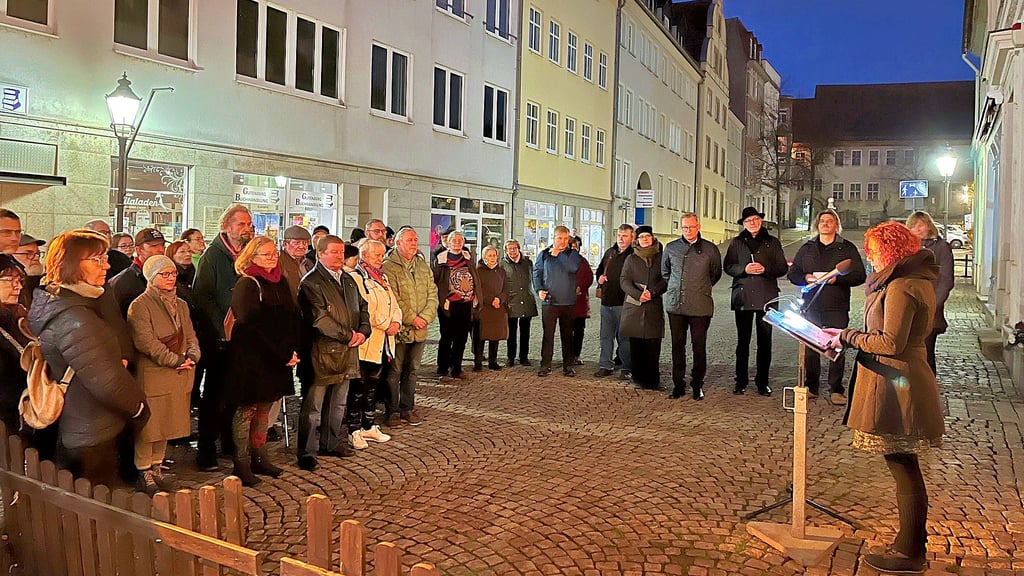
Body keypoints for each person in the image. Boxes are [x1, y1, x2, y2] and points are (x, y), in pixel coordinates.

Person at [823, 222, 944, 574]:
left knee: (904, 465)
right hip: (896, 378)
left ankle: (910, 551)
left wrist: (846, 336)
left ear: (891, 251)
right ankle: (910, 545)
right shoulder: (906, 280)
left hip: (899, 383)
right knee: (902, 463)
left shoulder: (903, 285)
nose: (870, 257)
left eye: (874, 251)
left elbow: (891, 342)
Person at [28, 229, 149, 487]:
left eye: (105, 258)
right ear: (71, 263)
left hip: (82, 421)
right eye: (97, 259)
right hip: (91, 430)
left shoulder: (67, 300)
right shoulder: (76, 317)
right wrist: (139, 407)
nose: (107, 265)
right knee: (95, 500)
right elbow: (107, 381)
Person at [225, 236, 301, 485]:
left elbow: (291, 316)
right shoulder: (248, 283)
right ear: (251, 257)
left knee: (265, 408)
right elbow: (251, 325)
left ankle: (260, 455)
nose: (272, 258)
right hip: (253, 357)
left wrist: (291, 349)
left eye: (274, 253)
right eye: (266, 254)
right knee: (247, 409)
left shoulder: (280, 280)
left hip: (278, 357)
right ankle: (241, 461)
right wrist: (281, 353)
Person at [126, 255, 200, 494]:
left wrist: (193, 355)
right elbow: (146, 342)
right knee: (150, 426)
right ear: (151, 276)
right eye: (164, 274)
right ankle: (144, 470)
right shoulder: (140, 305)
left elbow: (190, 334)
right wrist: (174, 360)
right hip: (155, 374)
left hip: (179, 373)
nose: (171, 278)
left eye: (173, 273)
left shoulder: (182, 304)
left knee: (168, 422)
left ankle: (157, 466)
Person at [297, 235, 369, 471]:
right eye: (334, 252)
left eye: (341, 252)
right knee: (313, 407)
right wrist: (349, 336)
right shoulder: (311, 283)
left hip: (347, 351)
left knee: (338, 403)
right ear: (320, 254)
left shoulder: (348, 280)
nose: (340, 256)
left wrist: (363, 331)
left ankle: (330, 442)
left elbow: (363, 307)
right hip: (321, 353)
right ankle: (307, 452)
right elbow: (319, 319)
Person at [192, 204, 253, 471]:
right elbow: (203, 297)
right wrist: (221, 329)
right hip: (218, 338)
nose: (247, 229)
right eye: (241, 224)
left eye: (249, 224)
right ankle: (206, 450)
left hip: (242, 336)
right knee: (214, 395)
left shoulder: (247, 254)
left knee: (235, 393)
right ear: (226, 227)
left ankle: (229, 442)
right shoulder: (213, 256)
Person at [787, 210, 866, 405]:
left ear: (836, 225)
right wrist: (805, 277)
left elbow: (859, 275)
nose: (825, 224)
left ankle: (836, 389)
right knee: (811, 347)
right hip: (811, 304)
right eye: (822, 221)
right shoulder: (807, 247)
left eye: (829, 221)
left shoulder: (846, 248)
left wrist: (837, 280)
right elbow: (793, 273)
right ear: (817, 225)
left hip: (836, 304)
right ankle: (811, 386)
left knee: (837, 346)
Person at [723, 207, 788, 396]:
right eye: (748, 221)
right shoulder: (737, 242)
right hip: (743, 296)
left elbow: (782, 268)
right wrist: (744, 269)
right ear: (744, 224)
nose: (752, 223)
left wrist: (765, 269)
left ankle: (762, 382)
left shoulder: (772, 242)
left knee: (765, 342)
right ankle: (741, 381)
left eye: (755, 219)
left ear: (761, 221)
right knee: (743, 341)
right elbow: (728, 266)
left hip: (767, 297)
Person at [661, 213, 722, 400]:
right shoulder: (671, 248)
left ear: (698, 227)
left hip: (700, 306)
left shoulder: (710, 249)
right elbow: (665, 272)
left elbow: (715, 274)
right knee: (677, 346)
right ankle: (678, 384)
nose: (688, 230)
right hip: (676, 305)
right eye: (685, 227)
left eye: (691, 227)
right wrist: (676, 288)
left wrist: (700, 288)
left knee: (699, 347)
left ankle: (697, 384)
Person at [382, 227, 437, 427]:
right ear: (398, 243)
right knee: (394, 371)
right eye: (409, 240)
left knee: (412, 370)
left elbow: (433, 294)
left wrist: (425, 317)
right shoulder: (389, 266)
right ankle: (392, 411)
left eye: (415, 240)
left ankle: (408, 408)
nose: (414, 243)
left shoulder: (422, 265)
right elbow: (393, 298)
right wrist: (412, 318)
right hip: (400, 329)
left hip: (420, 329)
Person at [345, 239, 397, 449]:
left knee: (373, 387)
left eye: (382, 254)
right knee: (358, 387)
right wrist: (386, 324)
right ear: (364, 255)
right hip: (367, 342)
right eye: (377, 254)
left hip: (383, 342)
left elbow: (393, 303)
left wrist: (396, 321)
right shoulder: (356, 278)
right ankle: (354, 429)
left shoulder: (383, 277)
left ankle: (369, 424)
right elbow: (365, 309)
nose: (381, 258)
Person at [906, 211, 954, 376]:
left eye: (921, 225)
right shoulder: (907, 248)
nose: (917, 229)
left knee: (926, 353)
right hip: (908, 308)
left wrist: (933, 304)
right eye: (913, 226)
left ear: (929, 226)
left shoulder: (941, 247)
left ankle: (928, 386)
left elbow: (946, 279)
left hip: (930, 309)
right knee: (908, 353)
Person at [619, 226, 667, 390]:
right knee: (636, 346)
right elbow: (624, 280)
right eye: (641, 237)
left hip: (653, 305)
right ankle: (638, 378)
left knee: (653, 345)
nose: (645, 239)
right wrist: (638, 294)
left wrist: (653, 292)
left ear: (652, 238)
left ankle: (652, 381)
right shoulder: (631, 259)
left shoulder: (661, 258)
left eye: (647, 236)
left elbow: (666, 279)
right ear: (637, 240)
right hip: (635, 307)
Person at [533, 225, 583, 377]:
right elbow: (537, 273)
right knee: (548, 335)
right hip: (550, 301)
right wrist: (539, 289)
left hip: (567, 302)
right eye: (559, 238)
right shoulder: (544, 254)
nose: (562, 241)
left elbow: (573, 267)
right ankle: (545, 365)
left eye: (566, 238)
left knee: (567, 335)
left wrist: (559, 255)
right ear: (553, 238)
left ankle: (568, 366)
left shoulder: (573, 254)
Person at [433, 231, 478, 381]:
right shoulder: (441, 259)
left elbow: (475, 277)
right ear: (449, 242)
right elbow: (435, 280)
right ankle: (442, 367)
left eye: (460, 240)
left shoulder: (468, 258)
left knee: (462, 337)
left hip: (465, 303)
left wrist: (476, 295)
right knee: (447, 336)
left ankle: (456, 367)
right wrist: (441, 298)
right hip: (448, 304)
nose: (457, 243)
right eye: (454, 240)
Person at [595, 224, 635, 379]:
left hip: (624, 302)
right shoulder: (610, 253)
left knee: (624, 338)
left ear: (632, 238)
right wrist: (600, 278)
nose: (621, 239)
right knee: (605, 336)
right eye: (619, 235)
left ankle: (626, 367)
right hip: (607, 301)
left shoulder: (633, 256)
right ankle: (605, 365)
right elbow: (599, 270)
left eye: (625, 236)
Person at [0, 255, 29, 436]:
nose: (18, 286)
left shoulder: (19, 318)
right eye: (9, 280)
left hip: (20, 417)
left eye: (19, 280)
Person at [110, 228, 167, 317]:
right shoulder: (123, 282)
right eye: (154, 246)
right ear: (139, 250)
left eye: (162, 245)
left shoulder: (169, 275)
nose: (161, 249)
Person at [500, 240, 537, 367]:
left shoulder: (528, 262)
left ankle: (524, 357)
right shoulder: (502, 264)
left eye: (514, 248)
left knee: (525, 331)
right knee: (511, 332)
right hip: (511, 302)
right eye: (509, 249)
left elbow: (533, 278)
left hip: (526, 300)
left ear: (518, 248)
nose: (512, 251)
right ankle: (510, 357)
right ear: (506, 251)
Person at [474, 245, 508, 371]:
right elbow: (477, 289)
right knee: (480, 336)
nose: (492, 258)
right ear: (484, 257)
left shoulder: (501, 271)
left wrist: (500, 299)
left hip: (498, 307)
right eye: (490, 255)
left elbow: (506, 288)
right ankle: (478, 362)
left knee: (495, 336)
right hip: (483, 308)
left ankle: (493, 361)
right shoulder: (478, 271)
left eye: (494, 255)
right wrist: (490, 300)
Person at [568, 237, 593, 366]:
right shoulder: (561, 260)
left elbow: (589, 277)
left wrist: (580, 287)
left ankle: (576, 355)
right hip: (565, 303)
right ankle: (567, 355)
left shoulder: (582, 261)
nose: (574, 249)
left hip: (580, 302)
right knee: (567, 331)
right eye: (572, 246)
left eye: (576, 246)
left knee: (579, 331)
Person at [279, 225, 313, 298]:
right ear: (285, 244)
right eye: (297, 243)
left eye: (305, 243)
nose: (301, 246)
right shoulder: (278, 262)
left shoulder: (309, 263)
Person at [13, 233, 45, 308]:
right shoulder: (6, 284)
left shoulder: (43, 283)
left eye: (38, 253)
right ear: (11, 255)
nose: (36, 257)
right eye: (28, 253)